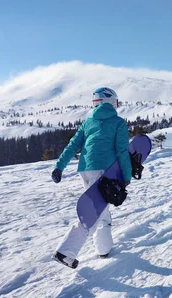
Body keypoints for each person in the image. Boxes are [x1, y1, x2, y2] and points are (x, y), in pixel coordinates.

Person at [50, 87, 132, 268]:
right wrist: (126, 175)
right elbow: (122, 151)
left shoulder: (88, 122)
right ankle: (65, 251)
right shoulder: (118, 122)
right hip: (103, 171)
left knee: (102, 209)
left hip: (85, 169)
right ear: (111, 103)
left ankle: (104, 249)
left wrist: (59, 167)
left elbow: (73, 145)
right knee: (94, 212)